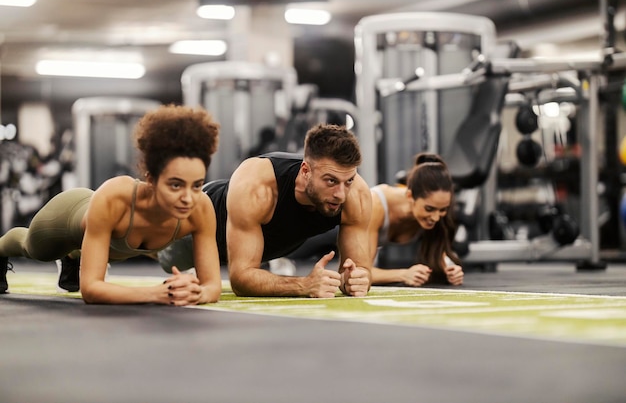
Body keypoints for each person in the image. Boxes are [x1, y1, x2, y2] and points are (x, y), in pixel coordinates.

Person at [0, 104, 222, 305]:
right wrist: (157, 294)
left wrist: (197, 293)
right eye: (175, 185)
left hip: (105, 239)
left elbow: (212, 285)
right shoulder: (115, 198)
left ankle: (74, 256)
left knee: (102, 246)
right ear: (151, 179)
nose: (188, 198)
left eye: (197, 185)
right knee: (32, 248)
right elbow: (91, 289)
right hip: (67, 215)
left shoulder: (200, 208)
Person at [158, 123, 373, 298]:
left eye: (349, 181)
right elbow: (241, 280)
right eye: (331, 181)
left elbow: (358, 268)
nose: (341, 194)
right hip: (200, 220)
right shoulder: (258, 186)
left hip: (256, 242)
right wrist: (303, 285)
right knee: (157, 252)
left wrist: (356, 279)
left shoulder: (356, 195)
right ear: (306, 171)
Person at [369, 153, 464, 286]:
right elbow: (358, 272)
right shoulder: (375, 205)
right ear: (409, 196)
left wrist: (451, 268)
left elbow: (437, 250)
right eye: (429, 209)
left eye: (442, 210)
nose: (436, 217)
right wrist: (403, 274)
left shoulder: (436, 209)